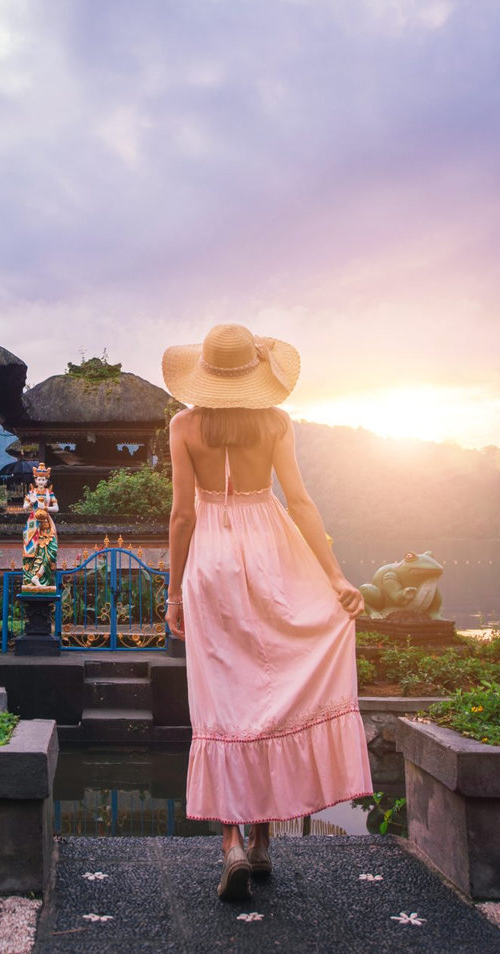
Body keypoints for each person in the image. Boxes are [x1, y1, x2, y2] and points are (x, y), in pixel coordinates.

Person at [162, 322, 371, 902]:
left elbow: (182, 515)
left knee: (224, 697)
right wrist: (334, 577)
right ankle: (263, 843)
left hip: (212, 559)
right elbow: (300, 501)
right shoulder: (276, 422)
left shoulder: (183, 425)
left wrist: (175, 592)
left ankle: (229, 844)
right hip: (273, 552)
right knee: (272, 687)